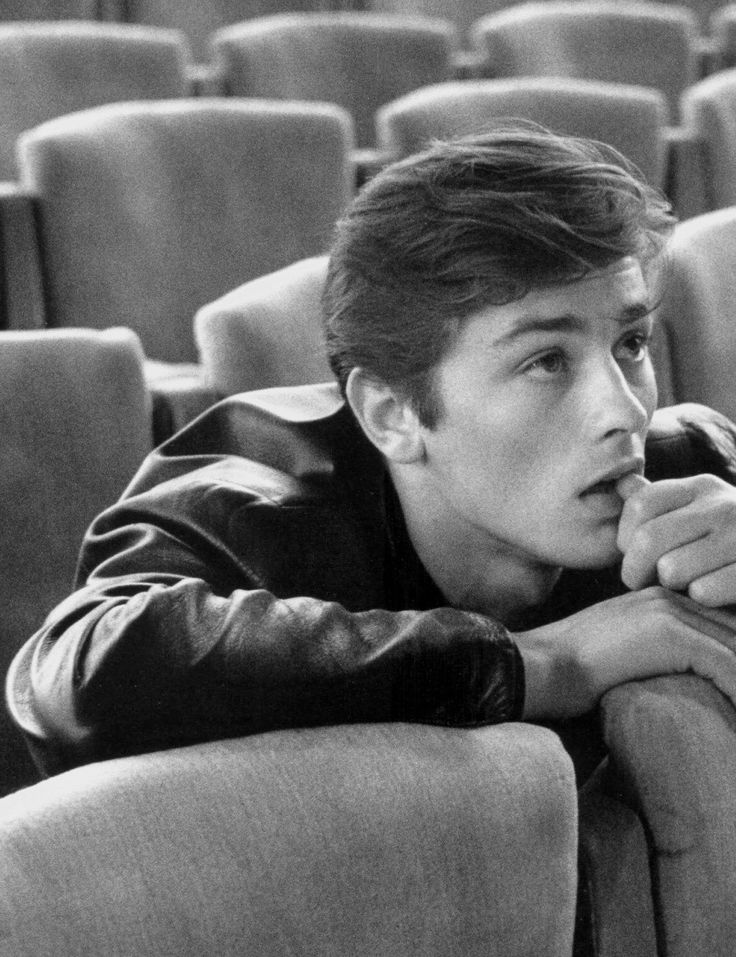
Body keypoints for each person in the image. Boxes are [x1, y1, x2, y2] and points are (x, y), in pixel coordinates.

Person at [9, 126, 736, 778]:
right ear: (390, 414)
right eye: (546, 360)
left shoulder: (691, 469)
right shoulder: (251, 503)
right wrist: (544, 662)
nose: (626, 408)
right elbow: (82, 671)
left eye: (631, 343)